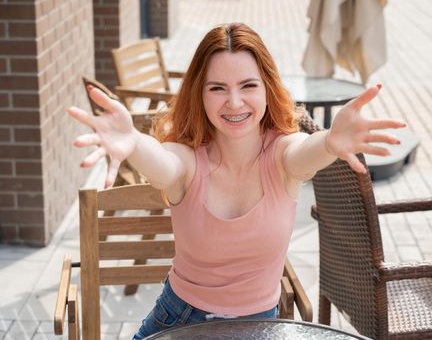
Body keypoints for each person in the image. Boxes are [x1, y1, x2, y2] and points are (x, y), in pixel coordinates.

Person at [67, 23, 404, 338]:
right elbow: (163, 165)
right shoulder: (186, 158)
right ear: (200, 94)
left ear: (267, 89)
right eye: (217, 88)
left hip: (260, 327)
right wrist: (135, 142)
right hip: (180, 322)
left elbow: (304, 152)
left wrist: (330, 142)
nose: (234, 102)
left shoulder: (282, 153)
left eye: (248, 85)